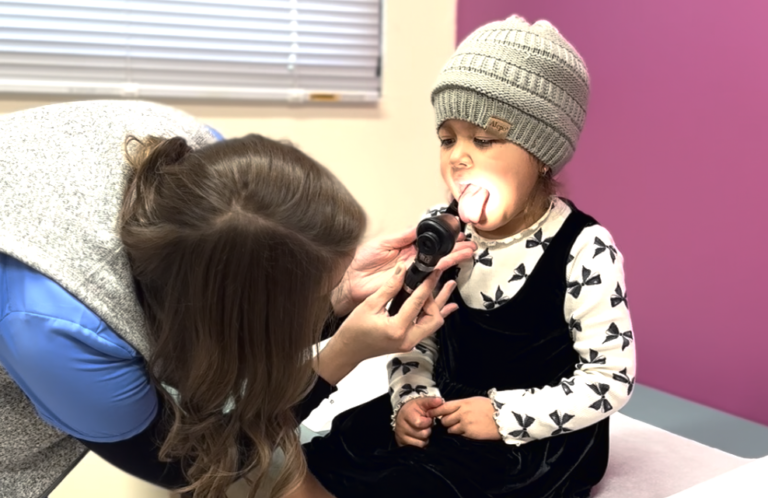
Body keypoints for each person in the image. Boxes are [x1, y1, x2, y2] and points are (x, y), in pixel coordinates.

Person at [0, 100, 476, 498]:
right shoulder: (55, 329)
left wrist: (339, 290)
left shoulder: (199, 155)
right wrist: (341, 354)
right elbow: (182, 466)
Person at [303, 15, 637, 498]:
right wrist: (411, 398)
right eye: (447, 139)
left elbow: (610, 378)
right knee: (337, 447)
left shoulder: (585, 248)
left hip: (533, 435)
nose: (457, 156)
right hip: (448, 405)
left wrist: (504, 415)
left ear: (541, 155)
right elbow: (416, 339)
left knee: (419, 486)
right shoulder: (443, 230)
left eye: (483, 140)